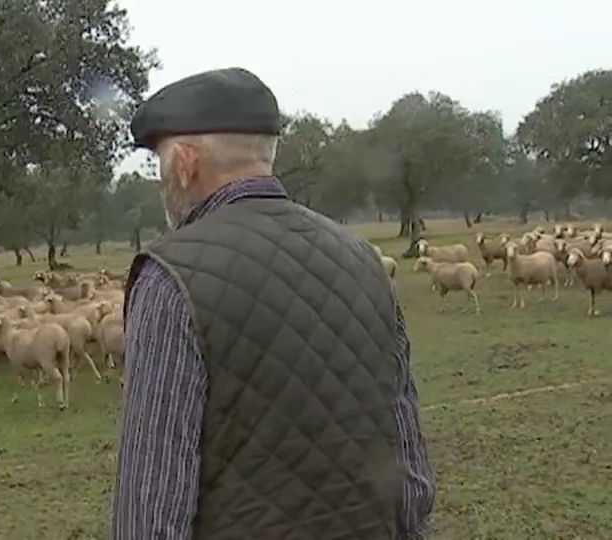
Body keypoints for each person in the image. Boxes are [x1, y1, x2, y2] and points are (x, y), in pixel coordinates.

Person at [110, 67, 435, 540]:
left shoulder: (171, 278)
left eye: (160, 163)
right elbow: (409, 470)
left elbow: (150, 506)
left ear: (184, 162)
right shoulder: (363, 260)